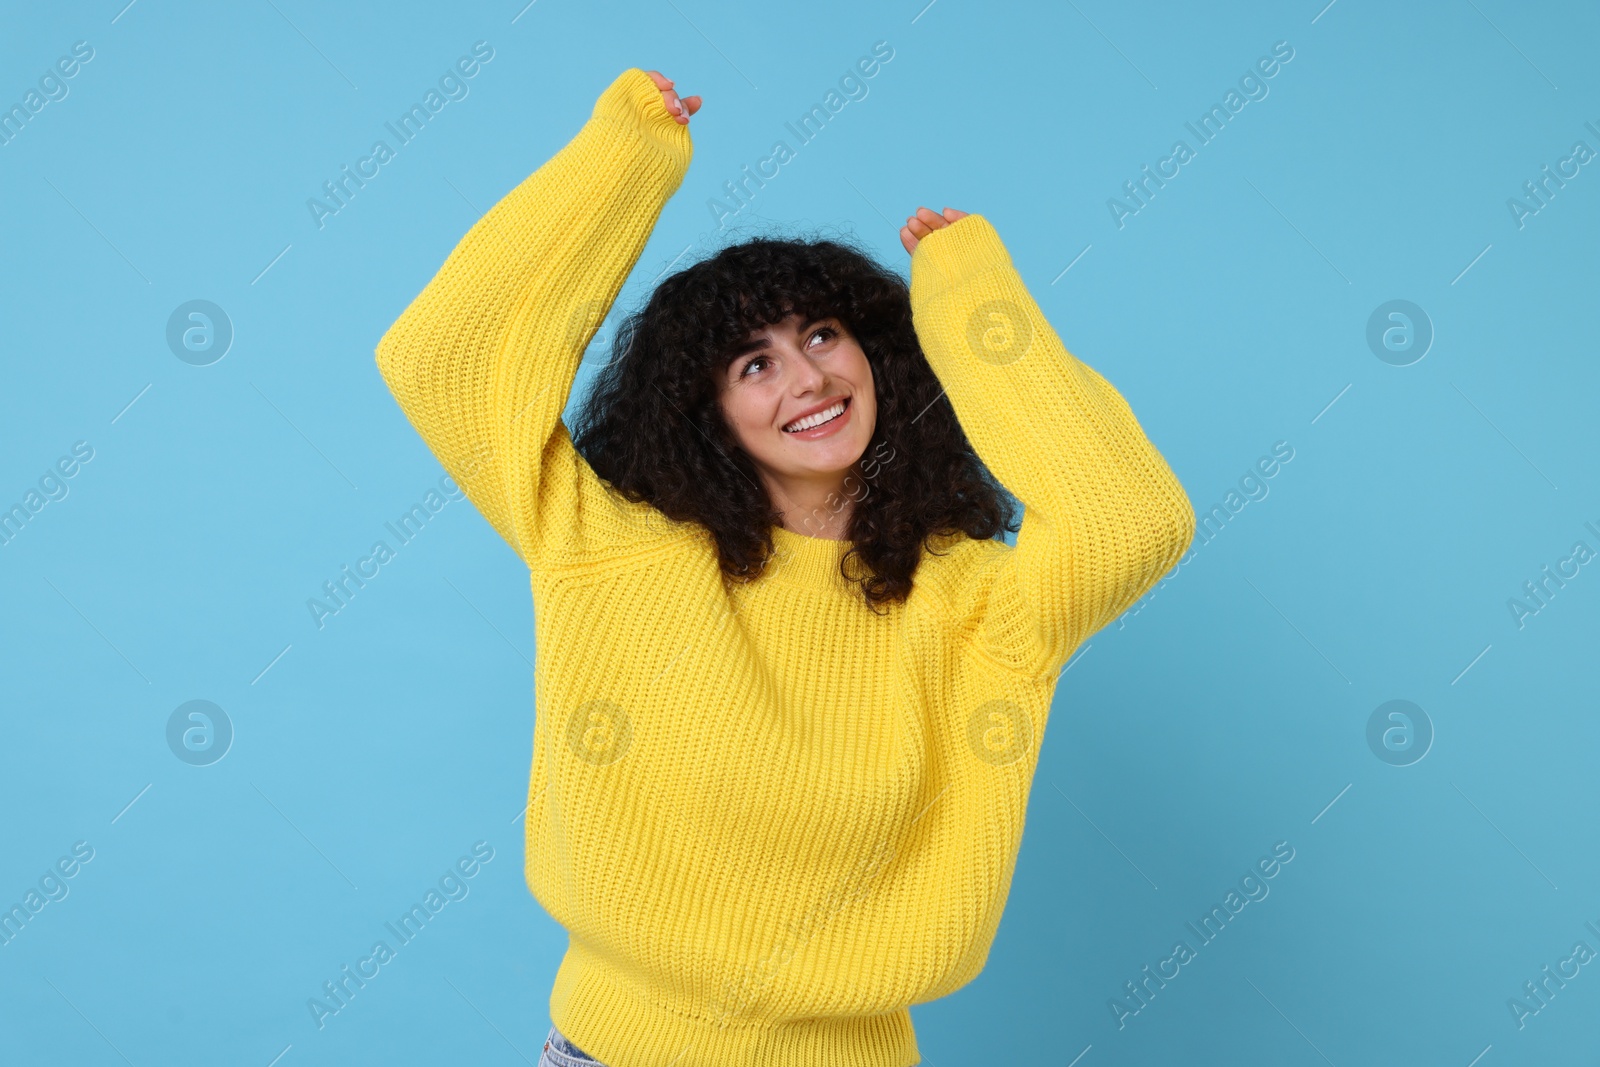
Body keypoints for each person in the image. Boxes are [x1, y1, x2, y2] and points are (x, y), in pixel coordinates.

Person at [375, 66, 1194, 1067]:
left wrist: (967, 292)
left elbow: (1134, 519)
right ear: (705, 408)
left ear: (879, 355)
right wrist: (625, 162)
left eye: (821, 335)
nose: (806, 378)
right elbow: (439, 361)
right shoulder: (610, 549)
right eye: (752, 362)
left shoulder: (975, 601)